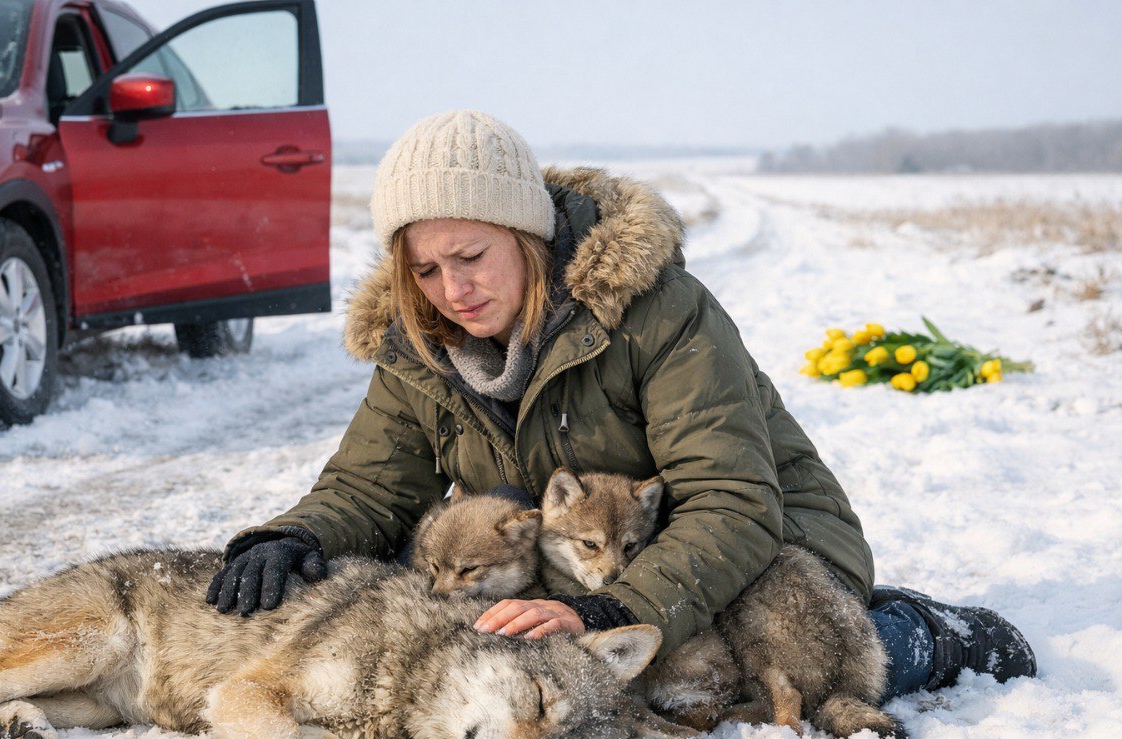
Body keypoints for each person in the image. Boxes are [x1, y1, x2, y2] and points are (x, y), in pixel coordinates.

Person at [207, 110, 1035, 699]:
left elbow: (733, 500)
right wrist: (294, 536)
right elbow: (372, 483)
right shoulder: (420, 344)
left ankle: (920, 636)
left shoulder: (656, 312)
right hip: (580, 569)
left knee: (764, 668)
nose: (451, 289)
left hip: (770, 546)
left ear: (526, 235)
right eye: (424, 270)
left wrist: (611, 608)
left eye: (471, 256)